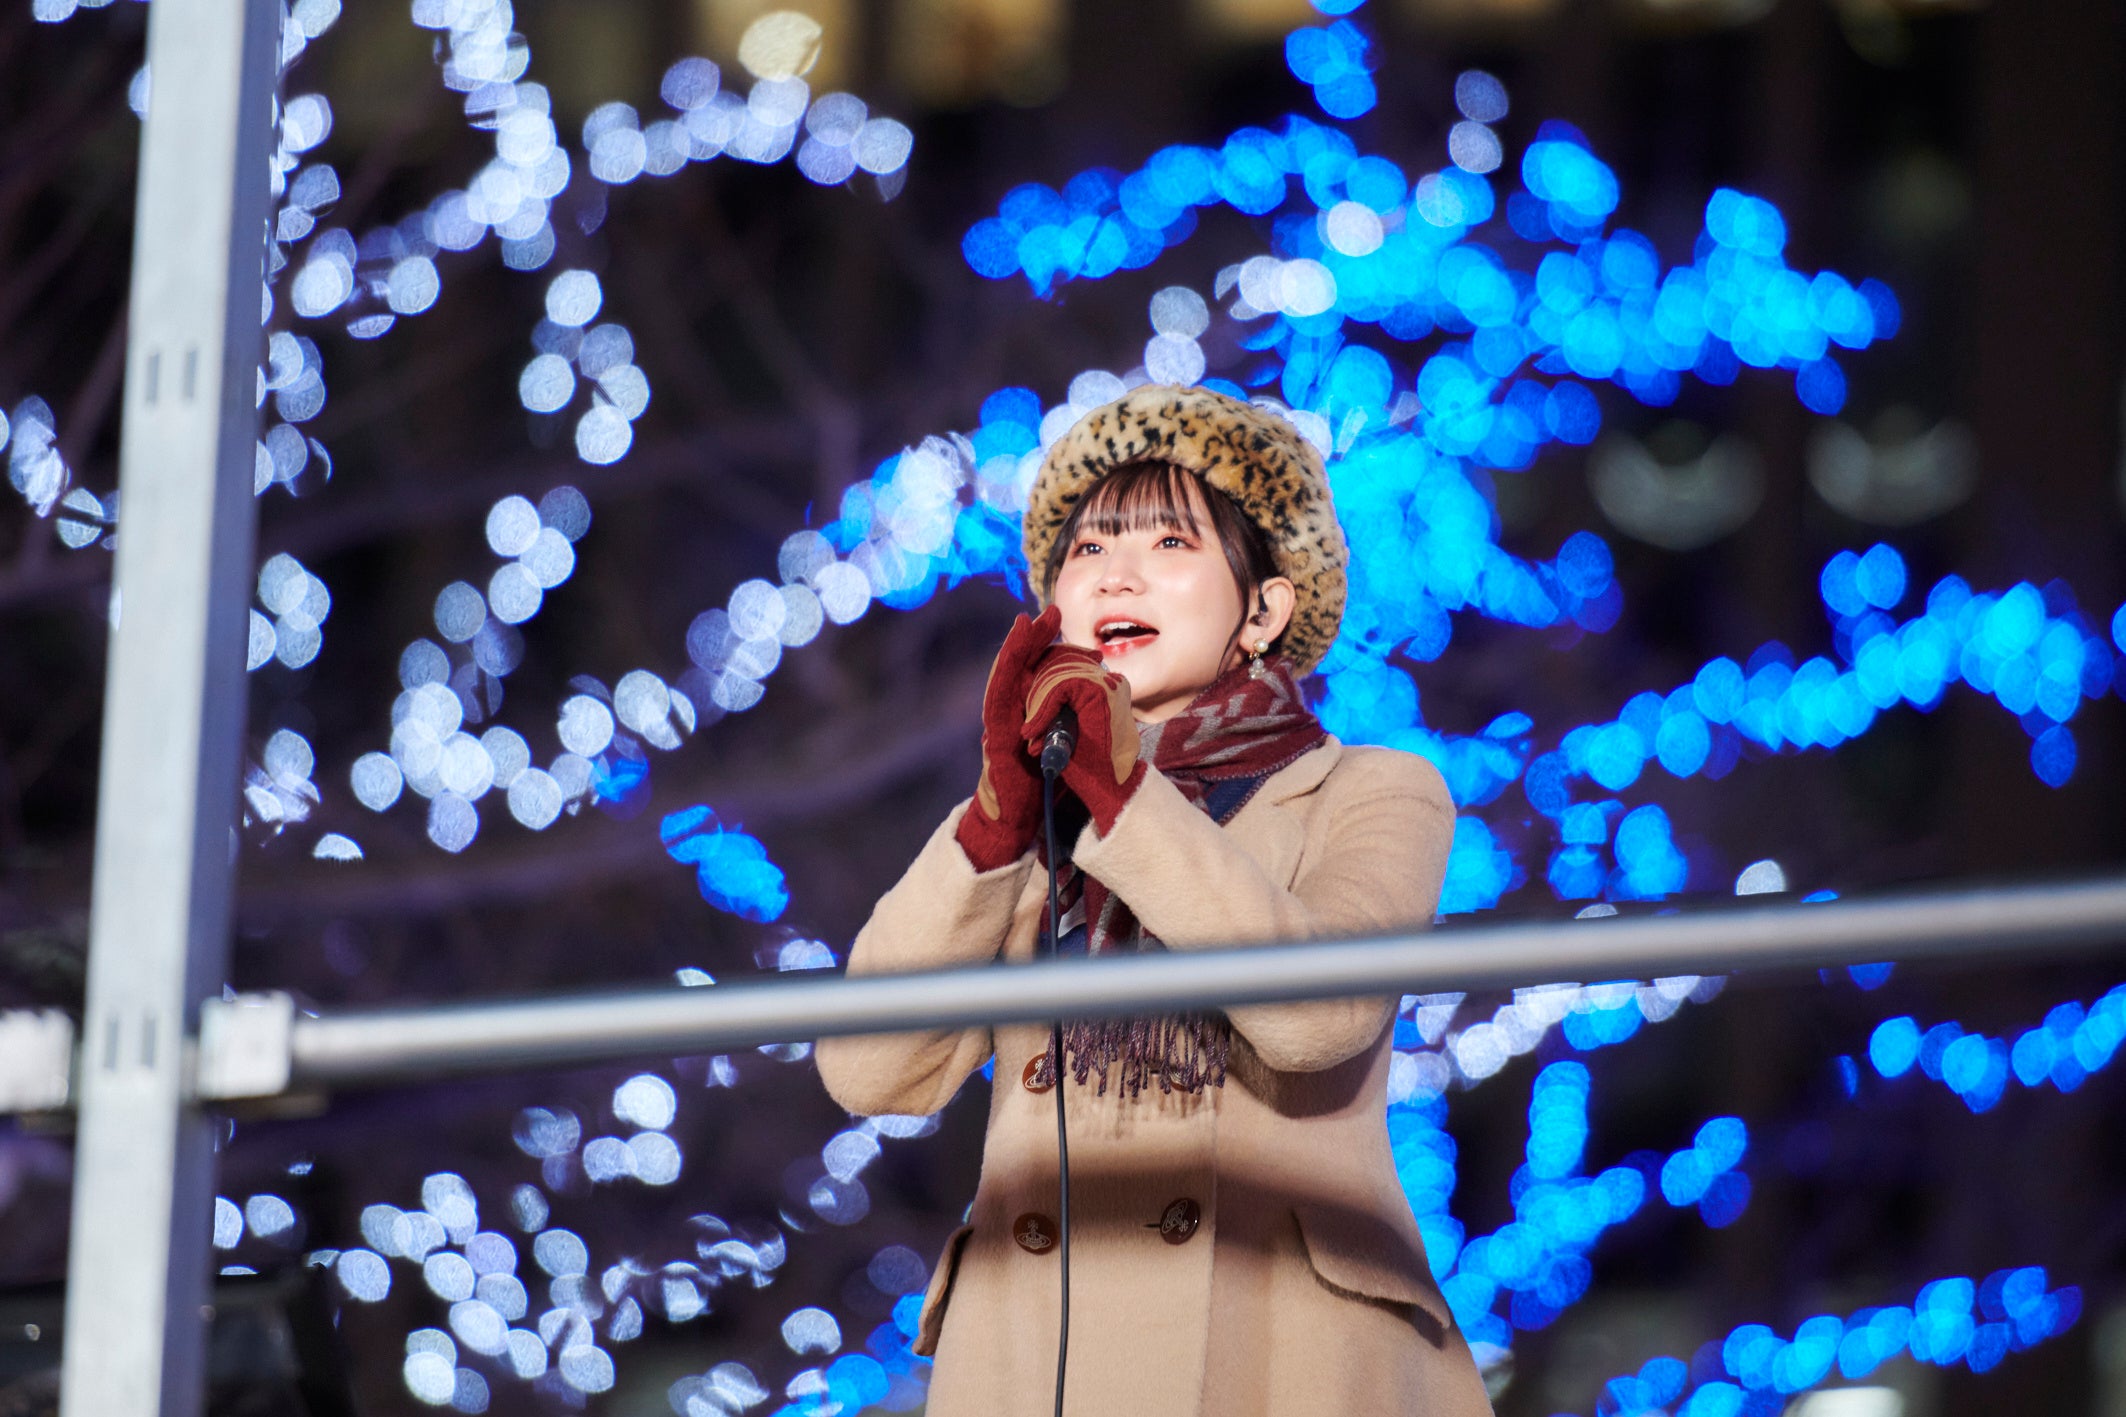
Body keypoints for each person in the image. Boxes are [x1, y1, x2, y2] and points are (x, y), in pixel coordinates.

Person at [814, 386, 1494, 1417]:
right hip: (1034, 1362)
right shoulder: (1028, 817)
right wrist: (996, 822)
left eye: (1170, 542)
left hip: (1278, 1358)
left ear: (1262, 610)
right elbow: (869, 1070)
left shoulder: (1371, 790)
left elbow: (1317, 1018)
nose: (1115, 574)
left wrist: (1125, 799)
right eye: (1087, 549)